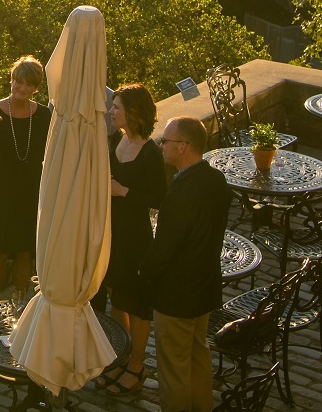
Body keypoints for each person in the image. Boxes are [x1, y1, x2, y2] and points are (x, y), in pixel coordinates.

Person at [137, 116, 230, 412]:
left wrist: (144, 271)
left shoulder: (180, 192)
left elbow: (166, 246)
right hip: (204, 287)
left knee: (174, 368)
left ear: (183, 147)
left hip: (177, 295)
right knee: (197, 357)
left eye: (166, 141)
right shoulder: (216, 180)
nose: (162, 146)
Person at [96, 83, 164, 396]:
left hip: (135, 237)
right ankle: (120, 356)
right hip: (111, 232)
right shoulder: (114, 140)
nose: (111, 111)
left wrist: (124, 192)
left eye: (117, 107)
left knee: (137, 305)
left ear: (133, 113)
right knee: (116, 296)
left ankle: (137, 366)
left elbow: (159, 198)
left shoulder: (151, 153)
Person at [0, 56, 50, 304]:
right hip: (2, 190)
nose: (22, 88)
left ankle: (20, 301)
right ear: (11, 80)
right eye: (18, 82)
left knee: (25, 250)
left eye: (29, 84)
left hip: (31, 189)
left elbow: (49, 152)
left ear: (36, 87)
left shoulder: (43, 115)